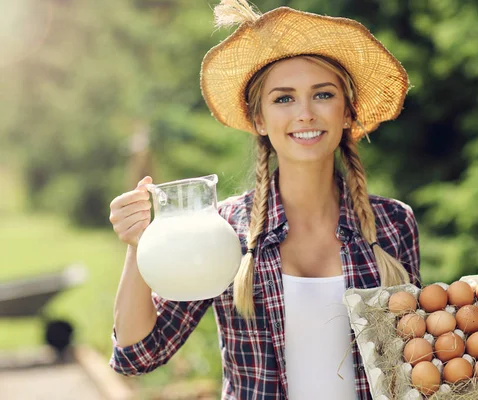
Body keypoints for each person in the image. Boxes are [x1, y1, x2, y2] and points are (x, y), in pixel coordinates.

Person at [108, 1, 420, 399]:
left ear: (346, 113)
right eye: (283, 99)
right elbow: (137, 356)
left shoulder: (393, 223)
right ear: (258, 119)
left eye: (322, 94)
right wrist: (139, 245)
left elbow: (414, 363)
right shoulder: (223, 230)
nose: (304, 113)